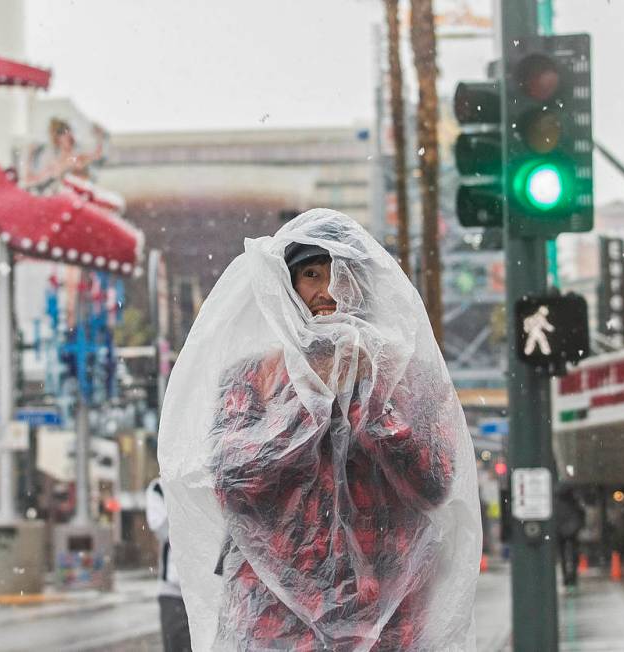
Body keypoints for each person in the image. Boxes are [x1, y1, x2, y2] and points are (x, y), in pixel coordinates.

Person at [159, 209, 481, 651]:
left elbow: (435, 485)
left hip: (384, 624)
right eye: (311, 273)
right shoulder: (254, 378)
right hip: (276, 623)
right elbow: (233, 483)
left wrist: (374, 404)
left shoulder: (409, 378)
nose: (327, 291)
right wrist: (305, 406)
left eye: (340, 273)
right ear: (289, 287)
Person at [145, 476, 192, 652]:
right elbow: (163, 529)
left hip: (208, 588)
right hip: (174, 592)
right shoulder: (159, 488)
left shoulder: (205, 479)